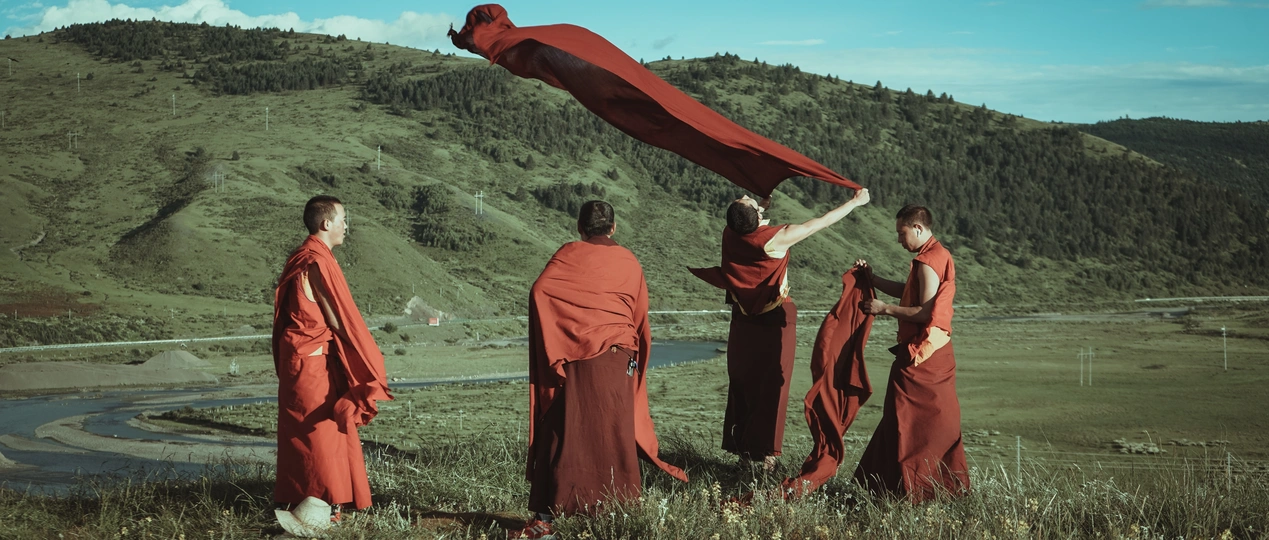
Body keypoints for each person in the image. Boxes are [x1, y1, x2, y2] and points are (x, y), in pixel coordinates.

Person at [511, 200, 687, 540]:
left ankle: (549, 513)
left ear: (580, 228)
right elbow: (639, 313)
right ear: (613, 227)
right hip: (618, 356)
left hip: (575, 355)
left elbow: (540, 291)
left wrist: (562, 336)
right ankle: (620, 509)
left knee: (564, 426)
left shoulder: (568, 253)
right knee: (614, 428)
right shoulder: (628, 260)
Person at [690, 189, 869, 471]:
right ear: (756, 216)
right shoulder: (776, 239)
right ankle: (767, 457)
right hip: (775, 318)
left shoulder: (730, 233)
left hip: (743, 318)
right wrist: (855, 202)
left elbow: (747, 222)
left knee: (744, 380)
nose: (745, 194)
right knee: (774, 384)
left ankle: (744, 451)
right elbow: (821, 222)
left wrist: (759, 206)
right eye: (748, 200)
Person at [271, 195, 392, 534]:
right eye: (343, 219)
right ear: (326, 224)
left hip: (301, 360)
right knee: (320, 433)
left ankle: (315, 502)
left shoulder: (301, 256)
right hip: (311, 365)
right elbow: (338, 320)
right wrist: (365, 357)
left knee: (312, 433)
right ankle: (324, 504)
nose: (346, 226)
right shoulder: (315, 262)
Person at [853, 204, 969, 503]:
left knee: (906, 422)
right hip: (937, 351)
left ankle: (906, 491)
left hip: (922, 356)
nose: (899, 240)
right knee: (926, 423)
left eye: (902, 233)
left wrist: (884, 309)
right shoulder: (939, 254)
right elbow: (910, 291)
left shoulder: (927, 261)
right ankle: (935, 489)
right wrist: (874, 280)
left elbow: (924, 312)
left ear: (918, 228)